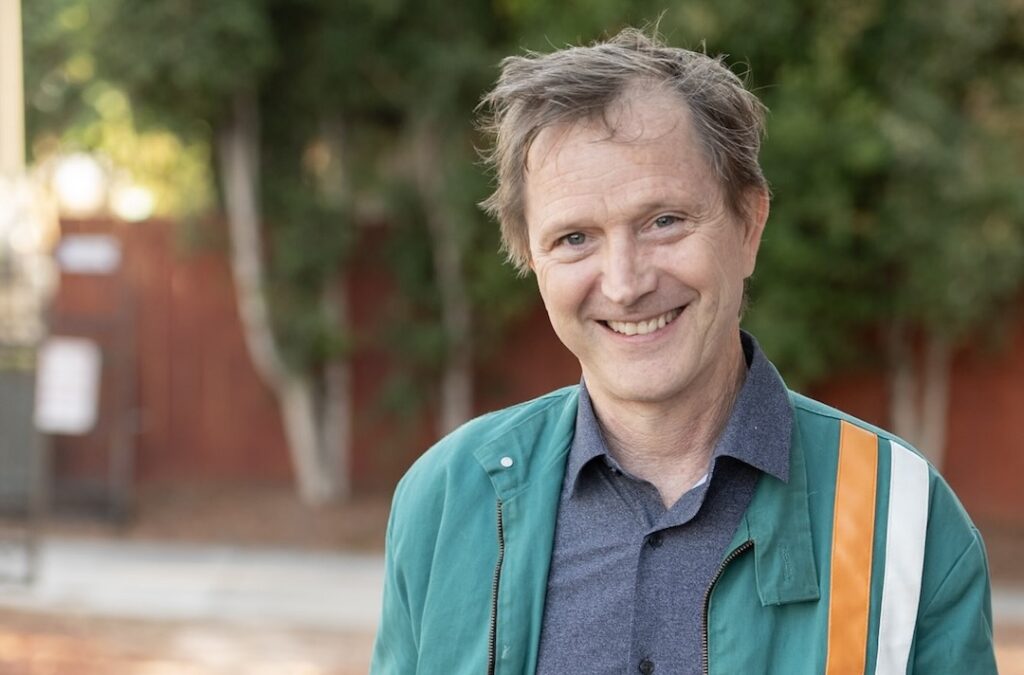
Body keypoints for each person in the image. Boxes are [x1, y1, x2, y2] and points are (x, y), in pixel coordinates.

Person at [370, 28, 997, 675]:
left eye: (663, 221)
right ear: (531, 258)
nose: (625, 283)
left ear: (749, 225)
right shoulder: (447, 501)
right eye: (575, 238)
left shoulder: (904, 519)